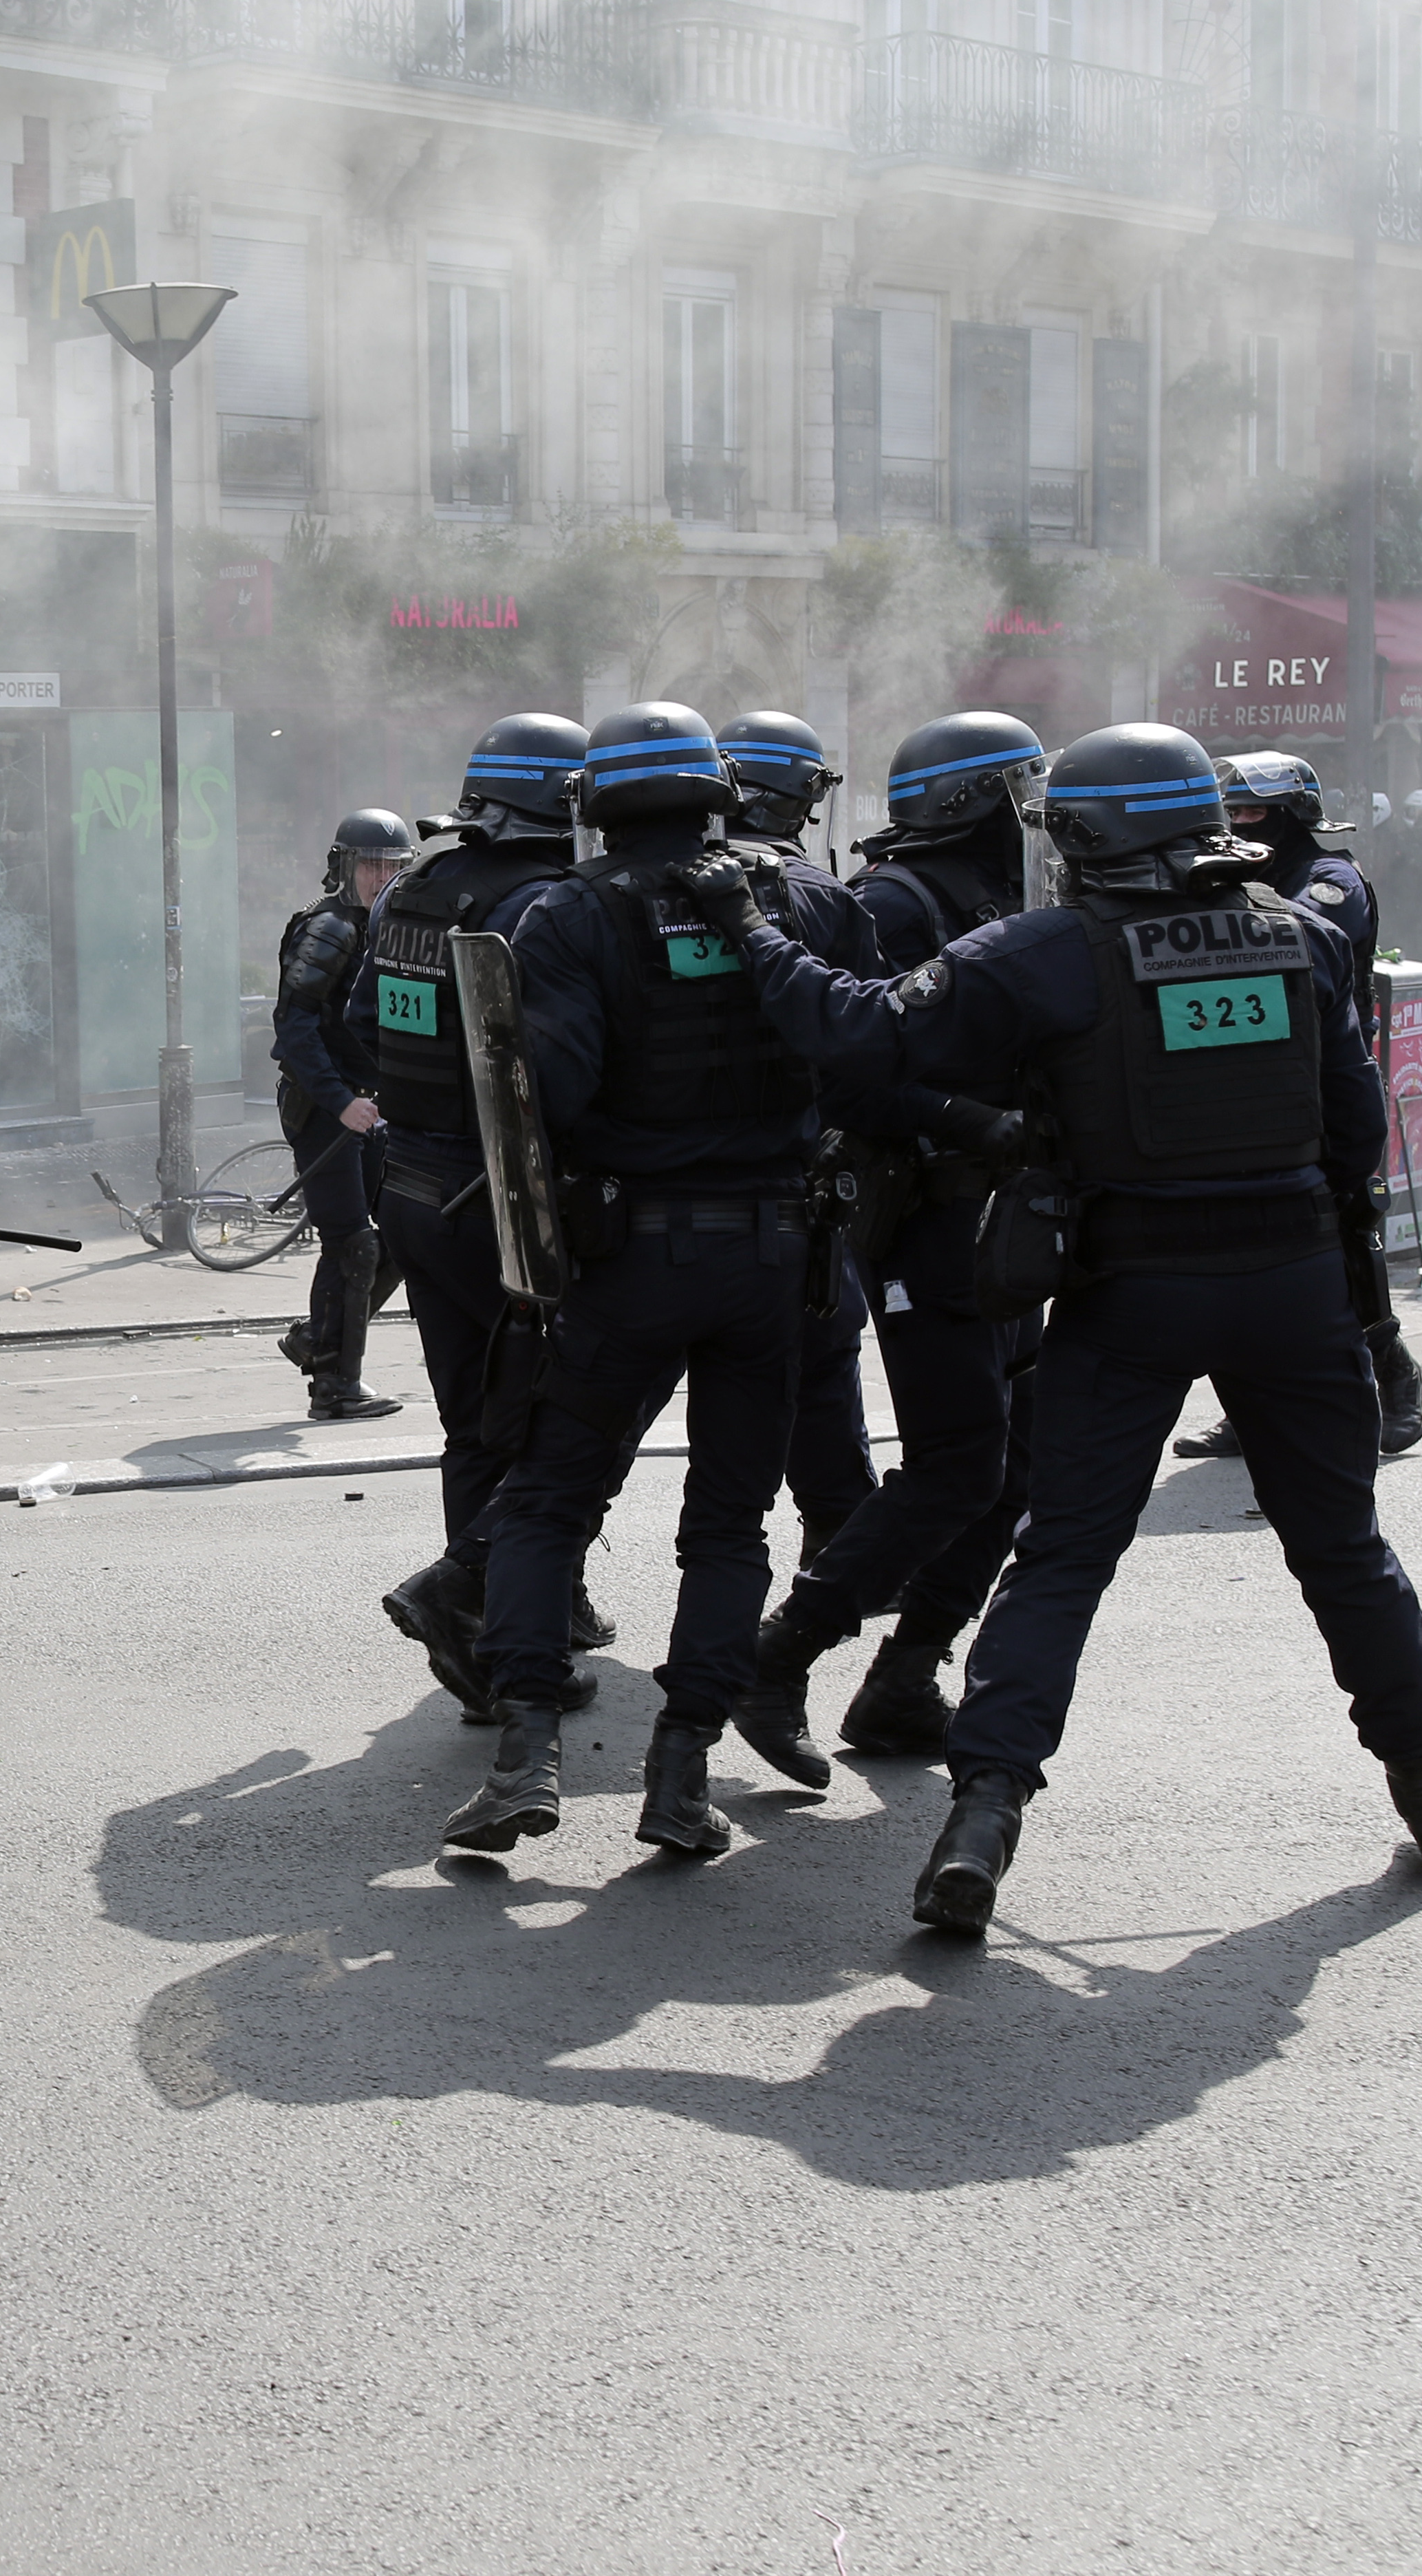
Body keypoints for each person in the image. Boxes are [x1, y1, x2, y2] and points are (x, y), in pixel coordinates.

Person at [685, 721, 1422, 1931]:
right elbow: (1356, 1133)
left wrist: (748, 929)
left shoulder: (1046, 950)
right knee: (1344, 1552)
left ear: (1087, 837)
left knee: (1062, 1558)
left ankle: (982, 1818)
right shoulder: (1303, 934)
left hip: (1130, 1291)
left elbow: (860, 1029)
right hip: (1298, 1287)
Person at [442, 703, 883, 1865]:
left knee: (549, 1498)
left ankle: (523, 1754)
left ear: (595, 803)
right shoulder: (812, 903)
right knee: (729, 1521)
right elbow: (868, 1057)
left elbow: (551, 1094)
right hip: (777, 1256)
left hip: (626, 1257)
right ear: (719, 793)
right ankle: (681, 1774)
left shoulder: (571, 915)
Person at [732, 711, 1049, 1764]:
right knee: (961, 1460)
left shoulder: (1014, 894)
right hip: (925, 1217)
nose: (1038, 809)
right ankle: (780, 1656)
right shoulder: (895, 901)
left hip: (1004, 1217)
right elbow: (849, 1067)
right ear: (976, 798)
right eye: (1022, 788)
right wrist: (969, 1122)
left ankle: (905, 1679)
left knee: (1012, 1468)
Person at [360, 715, 612, 1707]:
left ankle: (532, 1617)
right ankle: (506, 1640)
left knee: (474, 1421)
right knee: (559, 1426)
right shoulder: (549, 904)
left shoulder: (417, 887)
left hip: (415, 1190)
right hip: (505, 1201)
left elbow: (361, 1024)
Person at [1178, 752, 1422, 1459]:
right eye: (1229, 813)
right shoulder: (1226, 879)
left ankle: (1396, 1376)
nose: (1238, 825)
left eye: (1255, 812)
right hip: (1244, 1085)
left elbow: (1283, 937)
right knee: (1236, 1244)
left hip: (1327, 1084)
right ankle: (1247, 1405)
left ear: (1294, 816)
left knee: (1348, 1229)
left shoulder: (1329, 881)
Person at [723, 713, 881, 1569]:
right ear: (796, 801)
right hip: (792, 1196)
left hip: (634, 1202)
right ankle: (846, 1548)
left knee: (608, 1402)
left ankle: (508, 1579)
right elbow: (869, 1045)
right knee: (822, 1368)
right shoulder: (822, 899)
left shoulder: (599, 893)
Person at [268, 808, 413, 1423]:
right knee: (351, 1243)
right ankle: (334, 1386)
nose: (381, 877)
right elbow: (295, 1029)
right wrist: (341, 1101)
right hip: (324, 1109)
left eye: (392, 866)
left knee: (407, 1232)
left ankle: (315, 1338)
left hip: (369, 1107)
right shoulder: (328, 929)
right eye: (371, 865)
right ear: (345, 867)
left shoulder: (390, 928)